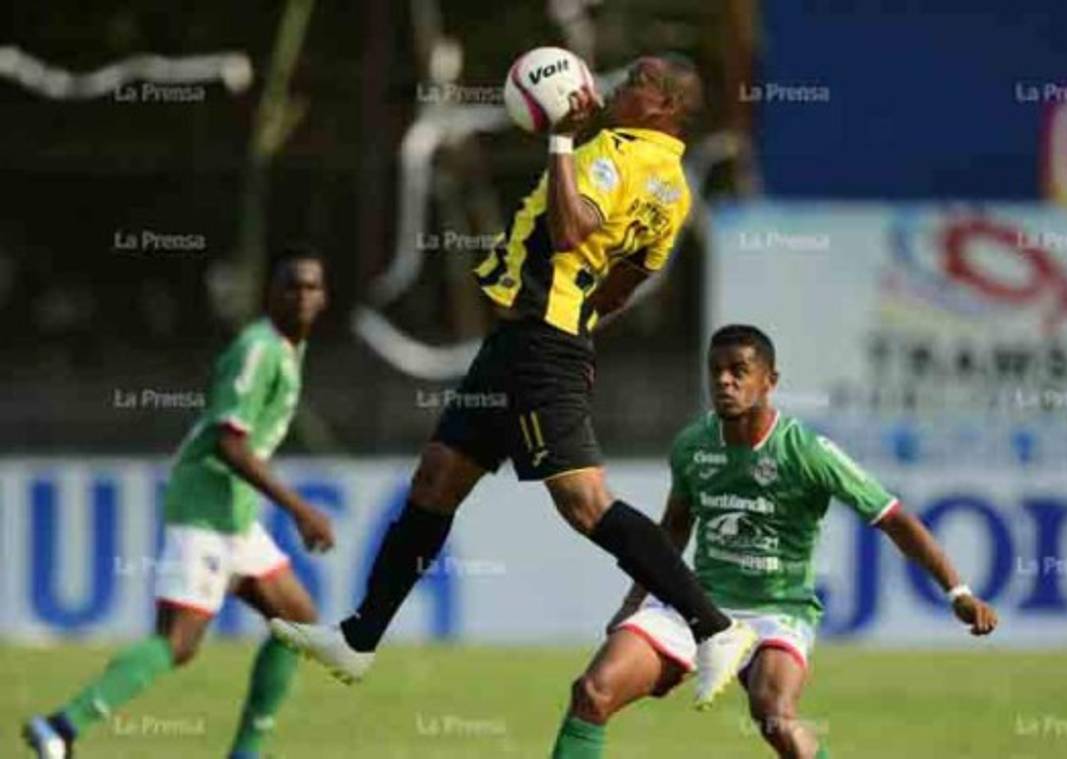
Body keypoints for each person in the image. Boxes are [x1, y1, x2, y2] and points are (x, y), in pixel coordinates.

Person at [272, 54, 759, 708]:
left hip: (538, 346)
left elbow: (571, 229)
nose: (619, 85)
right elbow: (628, 279)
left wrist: (560, 138)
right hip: (527, 341)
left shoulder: (613, 151)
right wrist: (575, 318)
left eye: (638, 80)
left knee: (584, 502)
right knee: (438, 478)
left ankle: (715, 627)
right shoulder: (673, 185)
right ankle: (360, 637)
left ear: (667, 104)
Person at [549, 324, 1000, 758]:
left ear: (770, 381)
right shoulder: (692, 445)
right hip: (695, 604)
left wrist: (957, 591)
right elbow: (671, 532)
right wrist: (635, 602)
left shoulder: (806, 451)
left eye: (739, 370)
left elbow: (894, 519)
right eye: (716, 370)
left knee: (773, 715)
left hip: (777, 612)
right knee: (592, 691)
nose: (724, 381)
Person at [23, 248, 336, 759]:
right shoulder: (258, 349)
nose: (301, 296)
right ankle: (61, 726)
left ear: (325, 298)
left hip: (233, 512)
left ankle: (246, 753)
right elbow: (228, 443)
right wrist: (301, 509)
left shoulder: (288, 348)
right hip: (207, 507)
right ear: (270, 295)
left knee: (298, 620)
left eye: (311, 288)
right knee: (178, 643)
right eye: (290, 287)